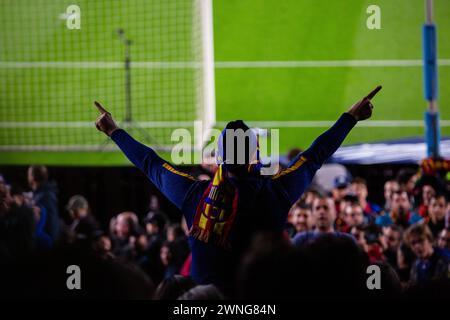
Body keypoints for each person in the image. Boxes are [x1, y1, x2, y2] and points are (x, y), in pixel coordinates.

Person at [93, 86, 382, 290]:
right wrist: (350, 118)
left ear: (219, 158)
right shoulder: (277, 192)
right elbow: (313, 156)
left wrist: (114, 131)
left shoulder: (195, 195)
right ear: (256, 156)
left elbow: (151, 164)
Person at [28, 165, 60, 241]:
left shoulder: (44, 196)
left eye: (28, 174)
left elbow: (51, 223)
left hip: (44, 243)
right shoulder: (41, 194)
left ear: (32, 176)